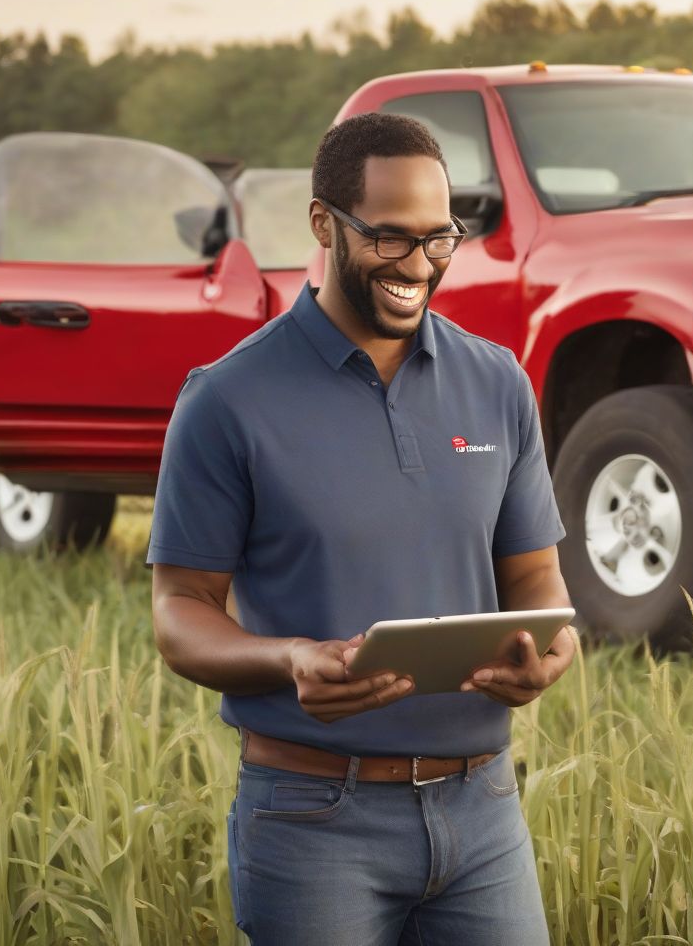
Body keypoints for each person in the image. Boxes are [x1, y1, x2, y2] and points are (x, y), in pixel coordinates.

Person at [148, 111, 576, 945]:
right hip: (313, 819)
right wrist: (289, 658)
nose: (418, 266)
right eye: (388, 238)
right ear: (323, 224)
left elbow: (536, 580)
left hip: (485, 811)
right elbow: (179, 613)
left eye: (439, 238)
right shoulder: (227, 400)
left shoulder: (498, 383)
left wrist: (554, 650)